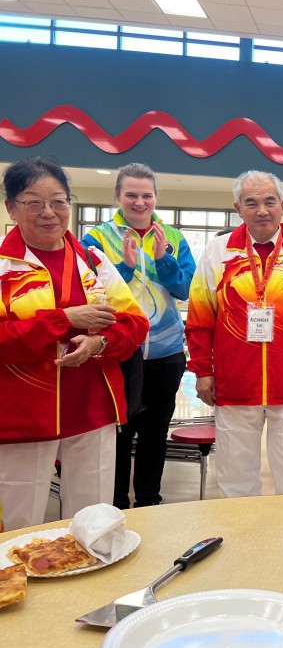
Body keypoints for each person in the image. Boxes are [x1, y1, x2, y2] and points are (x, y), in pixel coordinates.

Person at [0, 157, 148, 530]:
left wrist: (100, 343)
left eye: (58, 201)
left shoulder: (92, 261)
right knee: (17, 523)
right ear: (11, 208)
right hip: (22, 414)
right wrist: (63, 320)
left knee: (93, 523)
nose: (49, 212)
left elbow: (134, 323)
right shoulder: (3, 267)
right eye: (34, 203)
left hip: (92, 407)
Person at [185, 170, 283, 497]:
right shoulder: (218, 252)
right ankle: (241, 528)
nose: (262, 210)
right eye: (251, 203)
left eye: (269, 202)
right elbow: (200, 317)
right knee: (235, 475)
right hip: (234, 382)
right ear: (238, 208)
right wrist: (203, 371)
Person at [82, 163, 196, 509]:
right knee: (118, 434)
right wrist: (126, 267)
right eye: (131, 194)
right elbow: (89, 291)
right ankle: (115, 506)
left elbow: (186, 289)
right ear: (118, 196)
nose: (140, 202)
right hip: (116, 352)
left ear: (156, 197)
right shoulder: (97, 238)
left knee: (155, 434)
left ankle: (149, 504)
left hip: (166, 353)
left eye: (147, 195)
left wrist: (163, 259)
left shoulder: (172, 237)